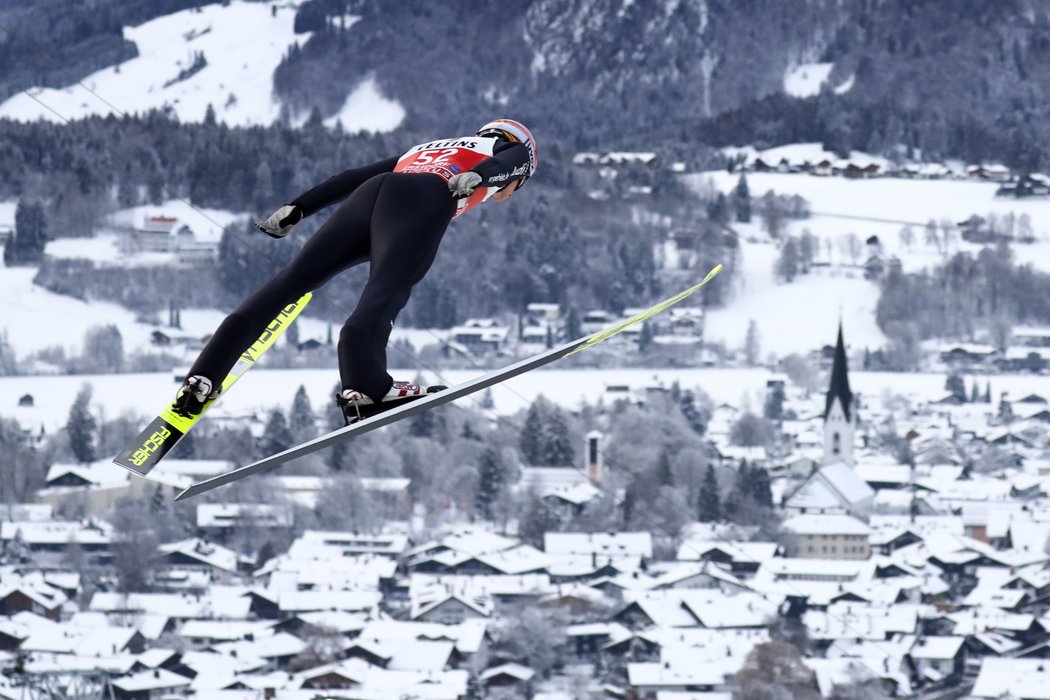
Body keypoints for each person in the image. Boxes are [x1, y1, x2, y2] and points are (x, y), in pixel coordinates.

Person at [173, 119, 537, 421]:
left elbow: (354, 176)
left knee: (287, 284)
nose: (511, 192)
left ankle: (202, 376)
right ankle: (367, 386)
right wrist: (483, 177)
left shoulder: (429, 147)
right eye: (519, 186)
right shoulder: (501, 151)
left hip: (369, 196)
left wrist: (298, 208)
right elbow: (514, 160)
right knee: (387, 289)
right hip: (422, 199)